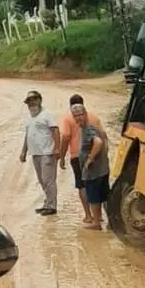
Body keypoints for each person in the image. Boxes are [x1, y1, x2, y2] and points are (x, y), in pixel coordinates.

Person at [58, 93, 105, 224]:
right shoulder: (94, 117)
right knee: (95, 183)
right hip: (96, 155)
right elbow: (103, 135)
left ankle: (88, 216)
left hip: (77, 156)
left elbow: (66, 137)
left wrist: (61, 157)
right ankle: (99, 216)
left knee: (82, 185)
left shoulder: (68, 118)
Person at [19, 89, 61, 215]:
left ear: (39, 100)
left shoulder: (47, 114)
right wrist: (23, 151)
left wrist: (57, 148)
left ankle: (52, 206)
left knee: (48, 180)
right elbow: (28, 135)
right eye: (29, 102)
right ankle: (47, 203)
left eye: (33, 101)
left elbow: (55, 131)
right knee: (42, 180)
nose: (31, 104)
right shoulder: (29, 118)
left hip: (47, 152)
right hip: (35, 153)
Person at [75, 102, 110, 230]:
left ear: (85, 114)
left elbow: (99, 142)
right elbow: (105, 140)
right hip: (102, 169)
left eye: (80, 115)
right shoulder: (93, 128)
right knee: (104, 196)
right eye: (75, 116)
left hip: (93, 171)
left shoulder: (88, 129)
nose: (78, 118)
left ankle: (96, 223)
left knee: (94, 197)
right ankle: (106, 220)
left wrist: (90, 158)